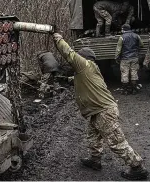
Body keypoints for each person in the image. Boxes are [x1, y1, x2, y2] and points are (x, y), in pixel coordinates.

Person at [52, 32, 149, 180]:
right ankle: (95, 160)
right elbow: (81, 81)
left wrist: (58, 38)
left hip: (104, 111)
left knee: (116, 142)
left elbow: (69, 53)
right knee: (93, 136)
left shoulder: (85, 65)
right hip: (96, 111)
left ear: (83, 59)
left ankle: (137, 167)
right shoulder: (89, 71)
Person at [115, 24, 144, 95]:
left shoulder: (122, 37)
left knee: (125, 73)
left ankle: (125, 90)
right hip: (135, 57)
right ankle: (134, 90)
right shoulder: (136, 35)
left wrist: (116, 57)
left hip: (125, 58)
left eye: (122, 29)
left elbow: (118, 49)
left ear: (123, 29)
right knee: (134, 72)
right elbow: (141, 45)